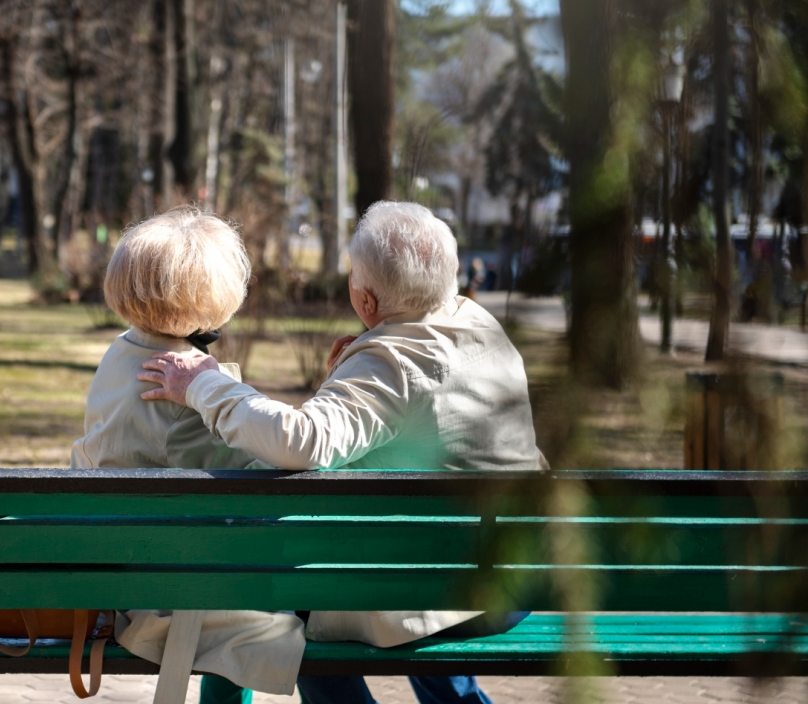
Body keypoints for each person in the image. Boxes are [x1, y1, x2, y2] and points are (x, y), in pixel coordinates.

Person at [138, 201, 547, 704]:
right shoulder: (480, 326)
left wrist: (204, 384)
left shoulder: (390, 364)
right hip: (519, 575)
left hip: (456, 592)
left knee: (290, 606)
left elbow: (301, 442)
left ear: (367, 298)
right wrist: (347, 376)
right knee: (409, 574)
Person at [70, 206, 305, 696]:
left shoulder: (121, 352)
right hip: (167, 590)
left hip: (122, 563)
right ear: (214, 294)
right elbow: (258, 481)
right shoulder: (181, 387)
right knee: (278, 607)